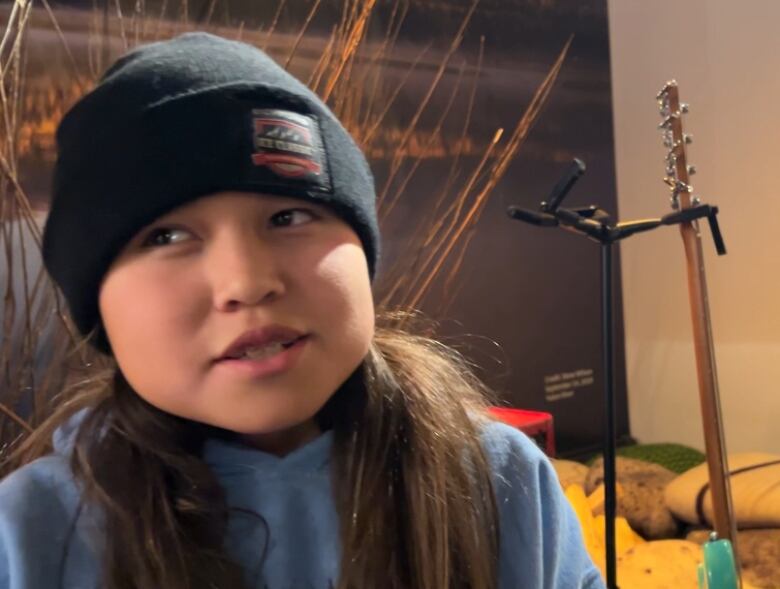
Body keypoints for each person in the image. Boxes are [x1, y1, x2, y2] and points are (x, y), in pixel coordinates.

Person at [0, 33, 604, 589]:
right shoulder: (27, 535)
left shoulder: (500, 482)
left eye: (288, 217)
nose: (248, 282)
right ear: (96, 306)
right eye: (165, 237)